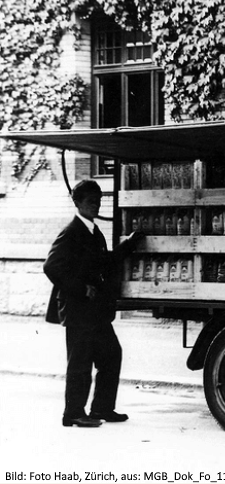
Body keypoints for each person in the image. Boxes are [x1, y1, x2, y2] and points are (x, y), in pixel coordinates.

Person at [44, 180, 143, 428]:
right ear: (77, 203)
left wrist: (129, 244)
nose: (95, 206)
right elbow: (51, 266)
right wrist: (80, 288)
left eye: (98, 201)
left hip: (94, 311)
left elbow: (104, 262)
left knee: (111, 355)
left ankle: (102, 408)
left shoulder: (93, 231)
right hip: (78, 310)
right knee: (80, 362)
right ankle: (73, 413)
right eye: (90, 202)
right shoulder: (72, 231)